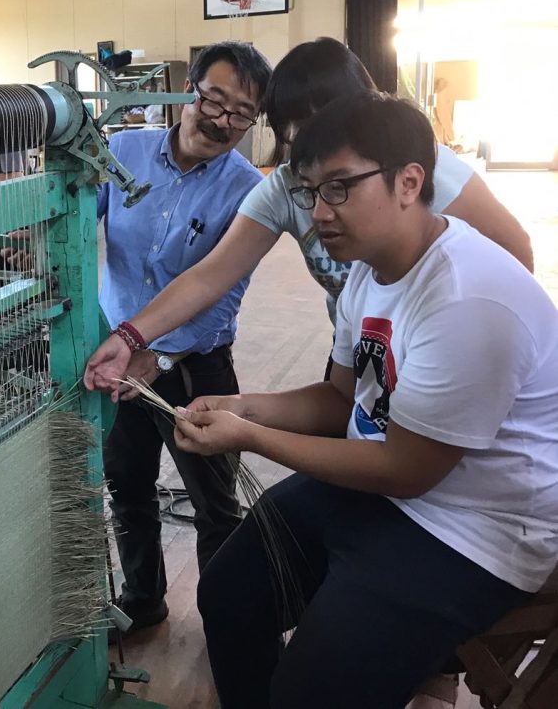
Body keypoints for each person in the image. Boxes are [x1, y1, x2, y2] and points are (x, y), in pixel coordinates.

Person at [170, 91, 558, 709]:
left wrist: (250, 437)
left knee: (312, 691)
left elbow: (407, 472)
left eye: (341, 188)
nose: (320, 212)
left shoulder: (467, 296)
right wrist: (248, 407)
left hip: (476, 529)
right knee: (229, 594)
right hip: (389, 489)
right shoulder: (367, 272)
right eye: (311, 192)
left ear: (410, 182)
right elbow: (339, 398)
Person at [85, 38, 533, 394]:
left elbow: (514, 256)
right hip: (357, 347)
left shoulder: (418, 165)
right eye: (294, 128)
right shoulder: (284, 186)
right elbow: (210, 276)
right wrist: (129, 338)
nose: (311, 141)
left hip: (438, 351)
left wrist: (484, 349)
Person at [100, 42, 272, 637]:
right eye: (213, 101)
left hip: (197, 366)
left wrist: (161, 352)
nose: (222, 121)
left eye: (242, 113)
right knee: (127, 485)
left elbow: (222, 293)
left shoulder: (249, 190)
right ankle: (143, 598)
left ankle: (226, 625)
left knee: (216, 504)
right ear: (188, 92)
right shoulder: (121, 152)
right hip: (117, 360)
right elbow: (71, 223)